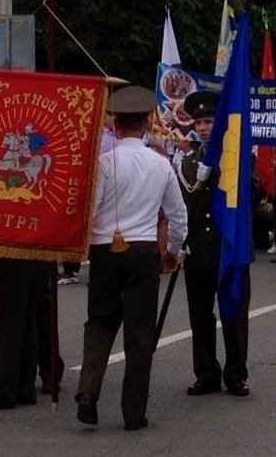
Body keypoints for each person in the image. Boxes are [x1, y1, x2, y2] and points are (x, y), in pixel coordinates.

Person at [75, 86, 187, 430]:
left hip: (105, 249)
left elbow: (90, 209)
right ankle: (134, 413)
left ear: (116, 124)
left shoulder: (104, 162)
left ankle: (88, 393)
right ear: (147, 124)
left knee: (100, 321)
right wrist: (172, 252)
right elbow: (177, 215)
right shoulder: (161, 164)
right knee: (139, 333)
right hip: (143, 250)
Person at [180, 91, 252, 397]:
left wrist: (223, 168)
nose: (204, 127)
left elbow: (253, 197)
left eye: (209, 121)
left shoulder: (238, 158)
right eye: (199, 122)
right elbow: (183, 205)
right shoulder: (186, 162)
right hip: (198, 246)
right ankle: (206, 372)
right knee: (200, 315)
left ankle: (235, 373)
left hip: (228, 246)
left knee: (233, 313)